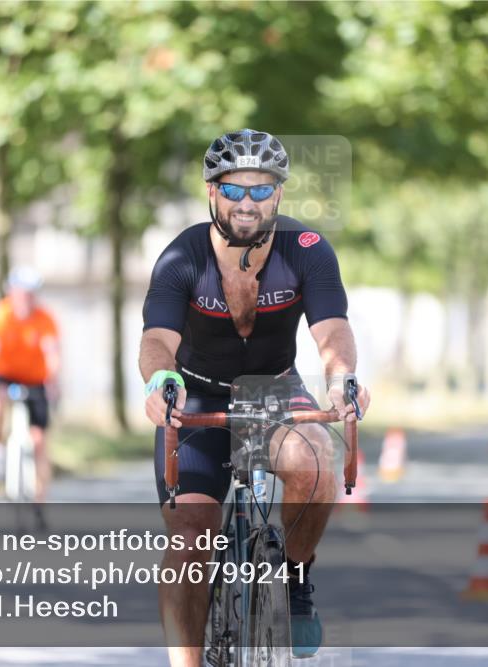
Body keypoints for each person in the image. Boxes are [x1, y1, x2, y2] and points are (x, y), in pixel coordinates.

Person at [139, 129, 370, 665]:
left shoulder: (307, 250)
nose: (248, 203)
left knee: (316, 465)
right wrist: (160, 381)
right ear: (212, 192)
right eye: (235, 189)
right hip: (196, 400)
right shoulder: (181, 257)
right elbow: (157, 339)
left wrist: (341, 378)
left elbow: (333, 330)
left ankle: (292, 578)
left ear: (279, 195)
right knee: (191, 544)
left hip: (275, 390)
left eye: (261, 190)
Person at [0, 266, 61, 503]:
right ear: (11, 292)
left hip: (35, 380)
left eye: (31, 294)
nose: (26, 299)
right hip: (5, 375)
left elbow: (52, 354)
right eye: (21, 293)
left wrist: (53, 382)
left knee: (40, 440)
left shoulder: (45, 319)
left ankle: (39, 501)